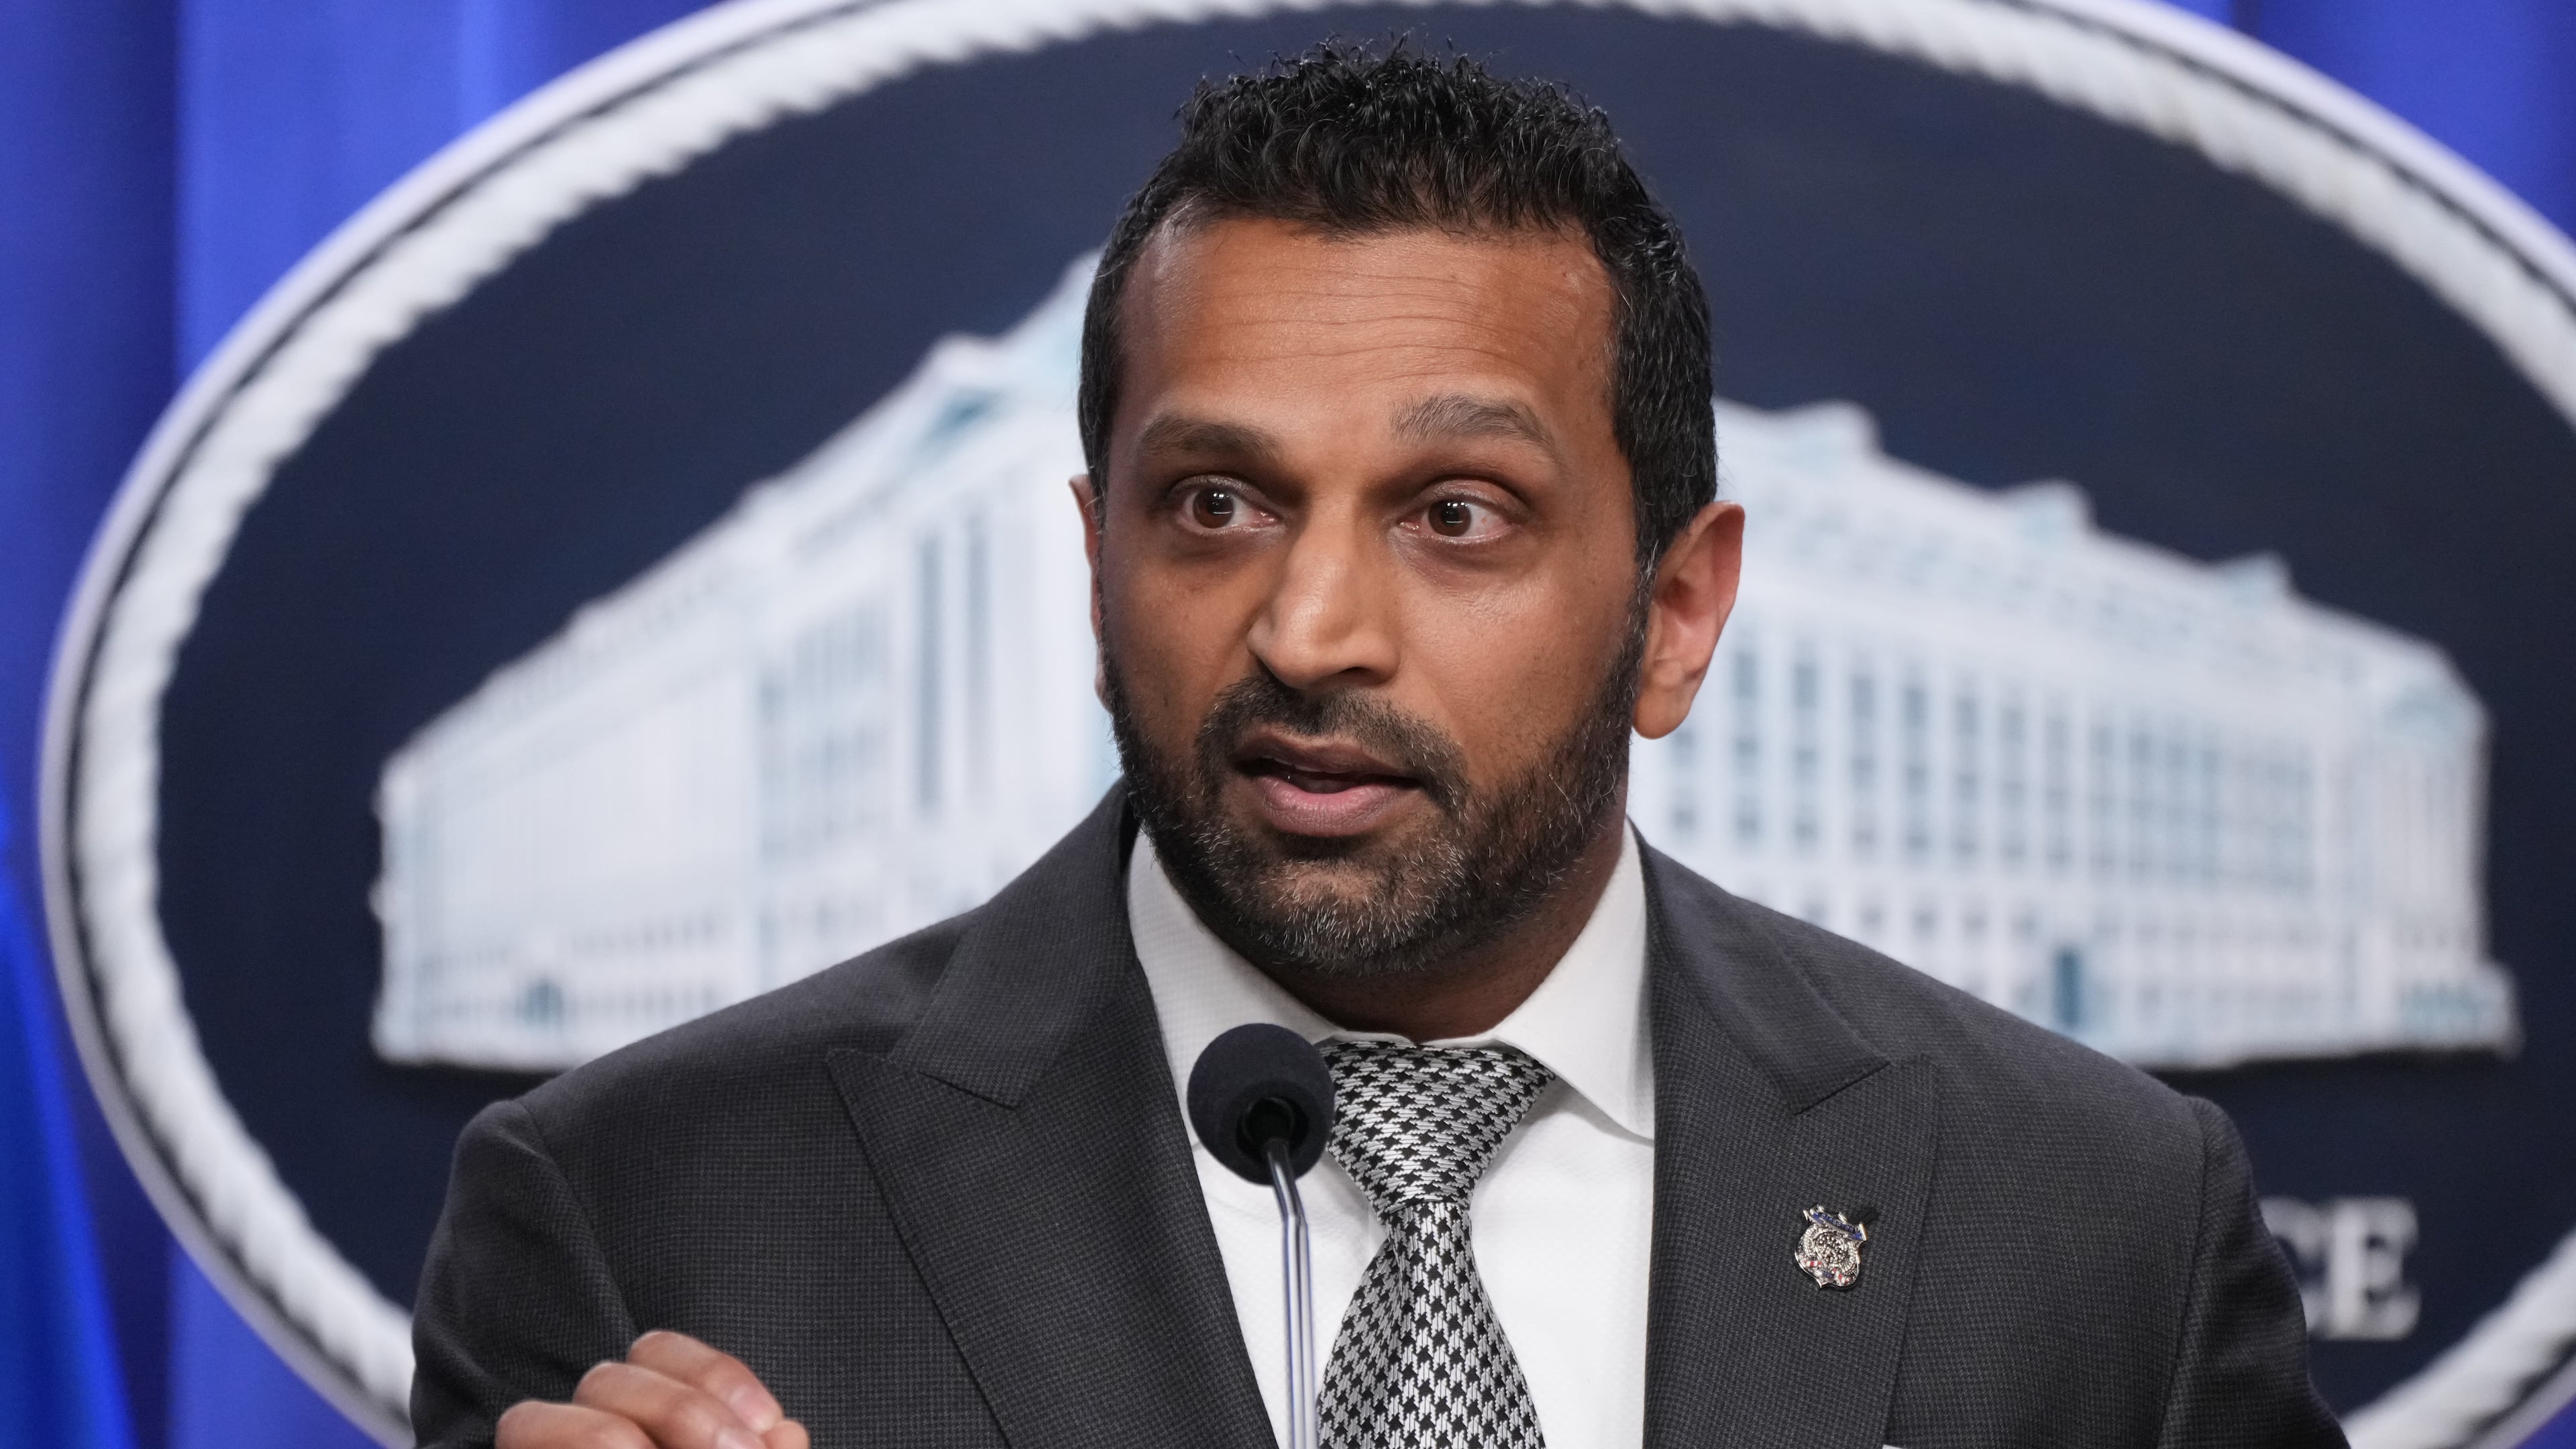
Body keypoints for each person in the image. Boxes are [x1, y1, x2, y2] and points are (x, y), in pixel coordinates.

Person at [411, 44, 2342, 1449]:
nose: (1310, 631)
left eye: (1457, 515)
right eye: (1218, 506)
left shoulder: (2095, 1227)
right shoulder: (644, 1219)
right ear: (1095, 568)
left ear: (1676, 608)